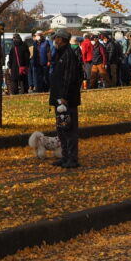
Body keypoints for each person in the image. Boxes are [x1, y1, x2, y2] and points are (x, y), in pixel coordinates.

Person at [49, 30, 82, 168]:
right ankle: (65, 155)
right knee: (61, 128)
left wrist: (64, 96)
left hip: (66, 99)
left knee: (69, 129)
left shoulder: (68, 54)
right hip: (58, 98)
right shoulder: (60, 53)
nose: (54, 40)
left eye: (55, 38)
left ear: (61, 39)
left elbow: (69, 77)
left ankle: (72, 158)